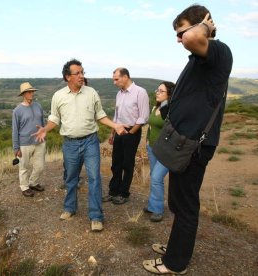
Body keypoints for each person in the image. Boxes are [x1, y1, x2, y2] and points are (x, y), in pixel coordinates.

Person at [143, 5, 232, 274]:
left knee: (186, 204)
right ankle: (175, 247)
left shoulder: (218, 52)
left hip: (195, 146)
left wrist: (203, 28)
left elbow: (194, 38)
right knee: (178, 202)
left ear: (202, 26)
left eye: (180, 31)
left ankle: (175, 263)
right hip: (183, 143)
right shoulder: (198, 59)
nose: (179, 38)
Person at [32, 58, 128, 232]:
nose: (82, 76)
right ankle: (69, 208)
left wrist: (115, 125)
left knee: (94, 178)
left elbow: (100, 115)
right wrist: (46, 128)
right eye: (77, 73)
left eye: (83, 72)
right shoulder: (58, 96)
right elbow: (54, 118)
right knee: (71, 178)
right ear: (67, 77)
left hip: (90, 141)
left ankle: (96, 216)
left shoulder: (91, 93)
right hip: (70, 144)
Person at [103, 68, 150, 205]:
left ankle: (124, 193)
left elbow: (143, 116)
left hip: (132, 131)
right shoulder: (119, 94)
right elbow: (117, 115)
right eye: (113, 79)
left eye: (116, 79)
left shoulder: (140, 92)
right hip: (119, 130)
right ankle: (113, 192)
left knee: (127, 164)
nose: (114, 82)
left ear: (125, 77)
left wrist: (131, 132)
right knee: (116, 163)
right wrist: (113, 132)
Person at [144, 81, 175, 222]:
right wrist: (147, 140)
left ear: (169, 94)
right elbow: (151, 126)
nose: (157, 92)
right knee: (154, 176)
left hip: (166, 150)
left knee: (156, 178)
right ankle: (152, 205)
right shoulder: (154, 108)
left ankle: (157, 209)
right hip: (152, 148)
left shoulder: (172, 111)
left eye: (161, 91)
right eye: (157, 90)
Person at [12, 82, 46, 197]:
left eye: (33, 91)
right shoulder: (17, 110)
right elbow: (15, 130)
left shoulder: (38, 106)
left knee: (40, 166)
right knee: (24, 167)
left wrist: (44, 133)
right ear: (23, 94)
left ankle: (33, 182)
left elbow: (43, 124)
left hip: (39, 142)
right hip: (24, 144)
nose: (32, 93)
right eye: (30, 92)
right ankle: (24, 187)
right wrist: (16, 148)